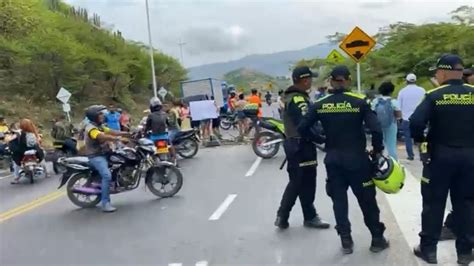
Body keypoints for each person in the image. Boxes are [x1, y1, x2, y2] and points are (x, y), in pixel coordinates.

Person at [299, 65, 388, 254]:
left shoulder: (321, 103)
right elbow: (376, 129)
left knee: (339, 201)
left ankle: (346, 241)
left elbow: (303, 127)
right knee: (367, 201)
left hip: (333, 160)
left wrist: (320, 140)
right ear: (347, 80)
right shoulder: (360, 101)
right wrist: (377, 150)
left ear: (331, 81)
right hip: (357, 161)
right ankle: (377, 239)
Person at [410, 54, 474, 265]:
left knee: (433, 203)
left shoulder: (434, 95)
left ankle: (428, 250)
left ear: (444, 72)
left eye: (437, 72)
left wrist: (422, 141)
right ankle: (465, 253)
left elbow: (416, 122)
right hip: (470, 158)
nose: (436, 75)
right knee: (466, 205)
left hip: (440, 158)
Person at [274, 66, 330, 230]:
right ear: (305, 80)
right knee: (304, 182)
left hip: (295, 145)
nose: (312, 81)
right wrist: (322, 140)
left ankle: (285, 216)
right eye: (310, 79)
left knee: (298, 181)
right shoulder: (298, 99)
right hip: (301, 146)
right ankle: (306, 216)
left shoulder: (292, 97)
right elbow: (305, 125)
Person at [83, 105, 130, 212]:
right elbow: (101, 136)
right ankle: (105, 203)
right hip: (96, 156)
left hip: (105, 152)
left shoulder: (100, 126)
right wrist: (117, 139)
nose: (102, 115)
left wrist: (128, 133)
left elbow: (112, 131)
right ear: (94, 116)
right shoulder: (91, 128)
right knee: (106, 176)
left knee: (123, 159)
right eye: (100, 114)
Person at [397, 74, 425, 160]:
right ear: (416, 80)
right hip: (420, 118)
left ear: (406, 81)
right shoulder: (422, 90)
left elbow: (399, 106)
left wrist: (399, 118)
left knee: (408, 138)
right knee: (422, 138)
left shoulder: (402, 91)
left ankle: (410, 155)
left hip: (406, 119)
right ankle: (423, 155)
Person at [10, 119, 47, 184]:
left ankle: (16, 178)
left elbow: (11, 140)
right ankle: (46, 172)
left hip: (22, 152)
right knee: (43, 154)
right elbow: (39, 141)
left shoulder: (19, 132)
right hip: (35, 151)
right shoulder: (34, 132)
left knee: (15, 162)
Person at [371, 81, 401, 161]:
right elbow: (398, 115)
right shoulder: (393, 102)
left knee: (380, 144)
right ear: (391, 91)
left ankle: (380, 161)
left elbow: (372, 113)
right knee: (391, 145)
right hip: (392, 125)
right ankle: (393, 162)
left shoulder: (375, 101)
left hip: (378, 125)